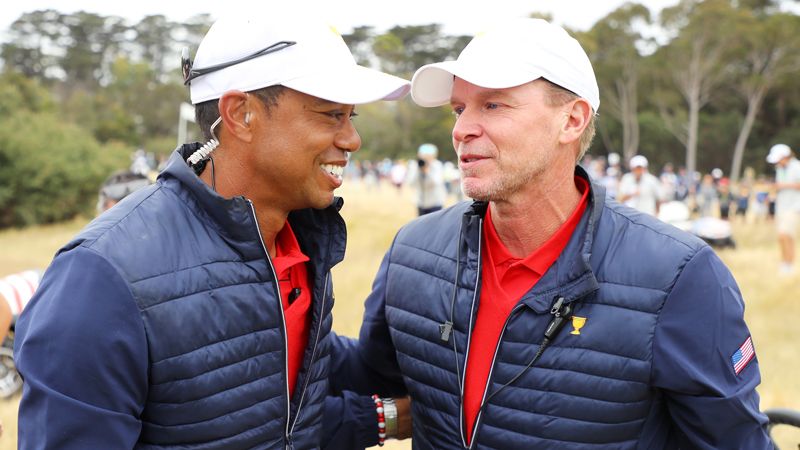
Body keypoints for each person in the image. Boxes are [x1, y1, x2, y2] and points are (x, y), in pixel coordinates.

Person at [340, 18, 773, 448]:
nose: (461, 130)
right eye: (459, 109)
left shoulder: (678, 276)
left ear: (572, 120)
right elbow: (370, 377)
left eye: (493, 105)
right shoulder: (414, 250)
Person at [14, 8, 410, 449]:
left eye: (352, 116)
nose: (352, 138)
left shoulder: (298, 242)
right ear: (240, 114)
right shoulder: (101, 275)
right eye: (330, 114)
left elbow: (278, 409)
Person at [766, 143, 800, 275]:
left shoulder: (797, 167)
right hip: (782, 206)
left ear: (785, 157)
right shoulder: (779, 169)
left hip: (794, 206)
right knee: (783, 237)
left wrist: (782, 185)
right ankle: (785, 263)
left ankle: (788, 264)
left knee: (785, 235)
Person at [406, 143, 447, 215]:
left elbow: (436, 182)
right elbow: (411, 183)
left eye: (428, 156)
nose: (426, 159)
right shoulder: (415, 166)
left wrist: (427, 172)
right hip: (421, 203)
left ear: (434, 156)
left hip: (435, 202)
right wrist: (418, 170)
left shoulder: (437, 165)